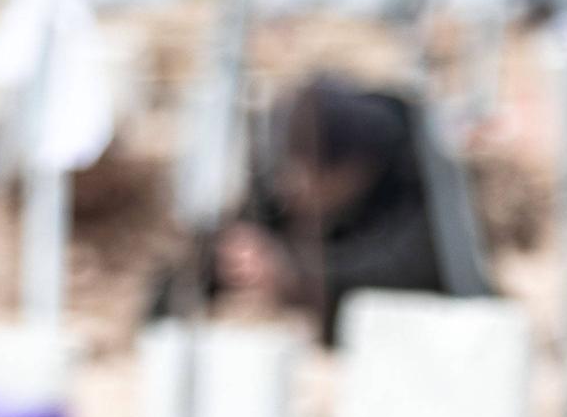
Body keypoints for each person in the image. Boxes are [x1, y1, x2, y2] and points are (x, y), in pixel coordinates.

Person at [209, 76, 489, 344]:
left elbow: (404, 272)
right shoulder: (280, 158)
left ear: (350, 172)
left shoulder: (425, 182)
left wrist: (293, 274)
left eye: (304, 176)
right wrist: (236, 256)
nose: (290, 190)